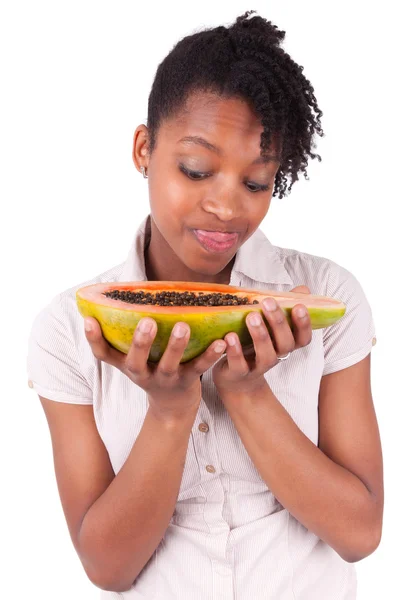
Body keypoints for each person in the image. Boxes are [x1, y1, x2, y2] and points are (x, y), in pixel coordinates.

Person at [26, 10, 383, 600]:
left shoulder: (329, 297)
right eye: (196, 170)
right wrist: (169, 414)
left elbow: (360, 532)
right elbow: (106, 568)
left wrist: (246, 392)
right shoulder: (67, 331)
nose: (226, 207)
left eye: (256, 183)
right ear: (144, 148)